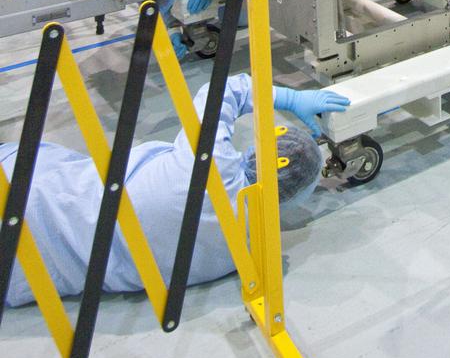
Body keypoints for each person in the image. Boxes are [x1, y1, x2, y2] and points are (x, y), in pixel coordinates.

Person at [1, 74, 350, 307]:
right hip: (23, 274)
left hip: (27, 194)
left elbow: (221, 92)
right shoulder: (243, 253)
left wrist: (289, 97)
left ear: (256, 151)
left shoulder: (207, 167)